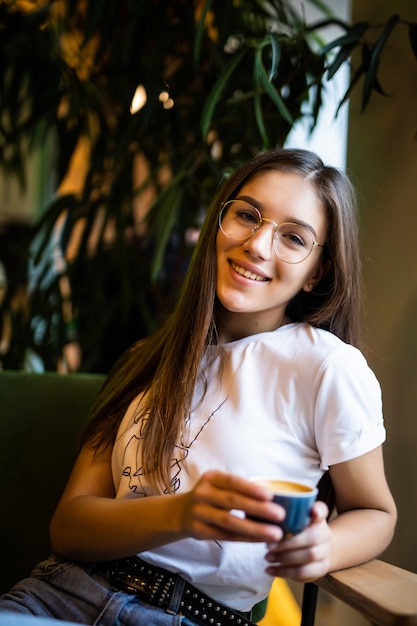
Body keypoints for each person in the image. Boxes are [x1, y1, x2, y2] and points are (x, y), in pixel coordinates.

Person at [0, 148, 397, 625]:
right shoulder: (146, 359)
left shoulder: (327, 367)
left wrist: (325, 548)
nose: (258, 244)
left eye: (293, 237)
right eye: (247, 215)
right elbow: (69, 528)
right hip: (61, 596)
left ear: (318, 271)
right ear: (217, 224)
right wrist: (182, 513)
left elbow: (376, 512)